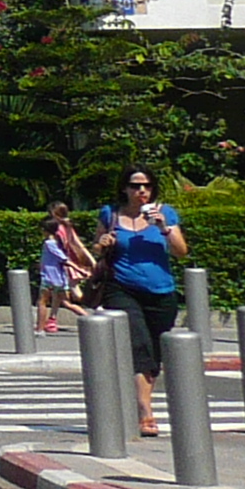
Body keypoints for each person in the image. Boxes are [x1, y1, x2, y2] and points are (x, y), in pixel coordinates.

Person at [97, 170, 190, 437]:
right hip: (122, 289)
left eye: (147, 186)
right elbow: (97, 246)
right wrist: (102, 243)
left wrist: (163, 228)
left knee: (154, 353)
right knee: (139, 344)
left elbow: (181, 252)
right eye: (135, 185)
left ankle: (142, 401)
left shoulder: (166, 214)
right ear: (124, 188)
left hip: (161, 291)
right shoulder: (110, 214)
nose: (142, 191)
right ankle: (145, 411)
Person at [35, 201, 96, 333]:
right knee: (66, 302)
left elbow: (64, 258)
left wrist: (80, 269)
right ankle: (88, 318)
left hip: (52, 277)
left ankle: (40, 329)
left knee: (42, 302)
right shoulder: (65, 230)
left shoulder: (50, 242)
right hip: (61, 276)